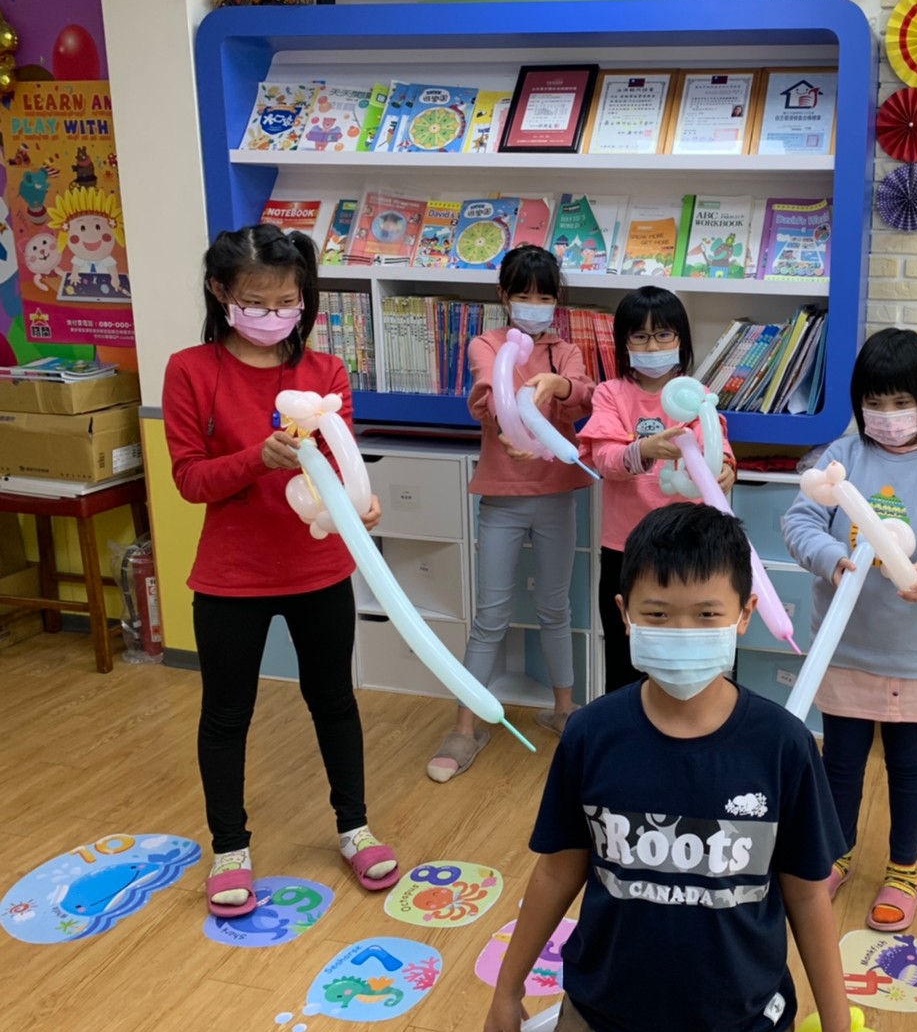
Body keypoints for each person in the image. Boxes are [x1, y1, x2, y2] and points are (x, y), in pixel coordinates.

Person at [480, 503, 854, 1032]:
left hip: (746, 1031)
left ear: (745, 613)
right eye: (657, 614)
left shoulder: (783, 747)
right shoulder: (590, 735)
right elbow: (556, 873)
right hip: (598, 1025)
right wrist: (507, 988)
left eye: (706, 614)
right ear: (624, 613)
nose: (682, 632)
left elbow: (807, 896)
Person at [162, 224, 399, 917]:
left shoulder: (325, 373)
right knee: (226, 713)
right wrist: (255, 459)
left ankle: (355, 829)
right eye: (256, 302)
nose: (273, 315)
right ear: (221, 293)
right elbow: (190, 480)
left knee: (334, 701)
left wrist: (361, 504)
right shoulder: (190, 370)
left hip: (318, 567)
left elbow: (342, 466)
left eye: (286, 302)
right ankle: (229, 849)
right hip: (231, 575)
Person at [782, 327, 917, 933]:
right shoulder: (842, 458)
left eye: (901, 402)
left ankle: (903, 870)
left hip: (913, 650)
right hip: (845, 644)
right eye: (875, 402)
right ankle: (837, 853)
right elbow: (801, 522)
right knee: (840, 762)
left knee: (908, 763)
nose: (888, 415)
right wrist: (832, 559)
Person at [427, 247, 595, 779]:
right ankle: (464, 728)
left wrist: (558, 386)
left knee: (554, 609)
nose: (534, 305)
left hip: (556, 495)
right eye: (524, 294)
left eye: (545, 296)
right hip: (502, 498)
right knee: (491, 616)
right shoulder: (488, 343)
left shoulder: (565, 351)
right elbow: (487, 395)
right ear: (504, 296)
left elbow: (584, 396)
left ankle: (564, 710)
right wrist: (511, 427)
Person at [579, 286, 735, 691]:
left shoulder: (697, 395)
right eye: (641, 336)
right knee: (627, 648)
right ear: (624, 342)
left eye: (664, 335)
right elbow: (604, 460)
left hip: (690, 543)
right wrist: (644, 450)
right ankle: (626, 723)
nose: (653, 346)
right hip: (626, 547)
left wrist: (726, 470)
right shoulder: (610, 394)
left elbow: (719, 449)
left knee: (689, 650)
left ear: (681, 338)